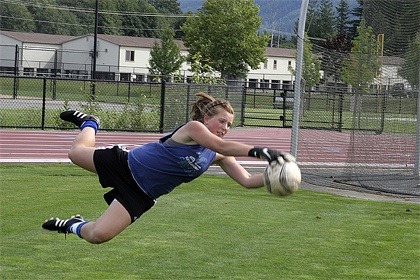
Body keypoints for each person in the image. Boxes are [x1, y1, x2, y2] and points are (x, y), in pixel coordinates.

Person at [42, 92, 293, 244]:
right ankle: (90, 123)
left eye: (229, 124)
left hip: (142, 193)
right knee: (75, 153)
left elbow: (248, 180)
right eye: (221, 121)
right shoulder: (194, 129)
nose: (225, 127)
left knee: (98, 235)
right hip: (127, 165)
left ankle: (72, 225)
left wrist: (274, 177)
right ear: (206, 118)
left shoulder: (216, 154)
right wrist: (262, 152)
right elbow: (223, 145)